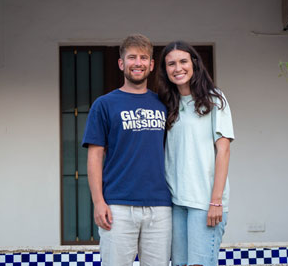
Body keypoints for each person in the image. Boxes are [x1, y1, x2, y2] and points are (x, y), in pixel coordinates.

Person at [82, 34, 172, 266]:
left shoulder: (164, 104)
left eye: (144, 58)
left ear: (151, 65)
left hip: (160, 206)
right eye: (132, 57)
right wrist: (98, 202)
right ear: (122, 63)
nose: (138, 63)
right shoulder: (104, 105)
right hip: (118, 206)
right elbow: (94, 156)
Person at [158, 41, 234, 266]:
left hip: (205, 202)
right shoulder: (167, 104)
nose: (177, 68)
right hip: (175, 202)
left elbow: (224, 150)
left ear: (195, 64)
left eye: (183, 61)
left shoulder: (214, 99)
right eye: (171, 63)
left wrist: (216, 201)